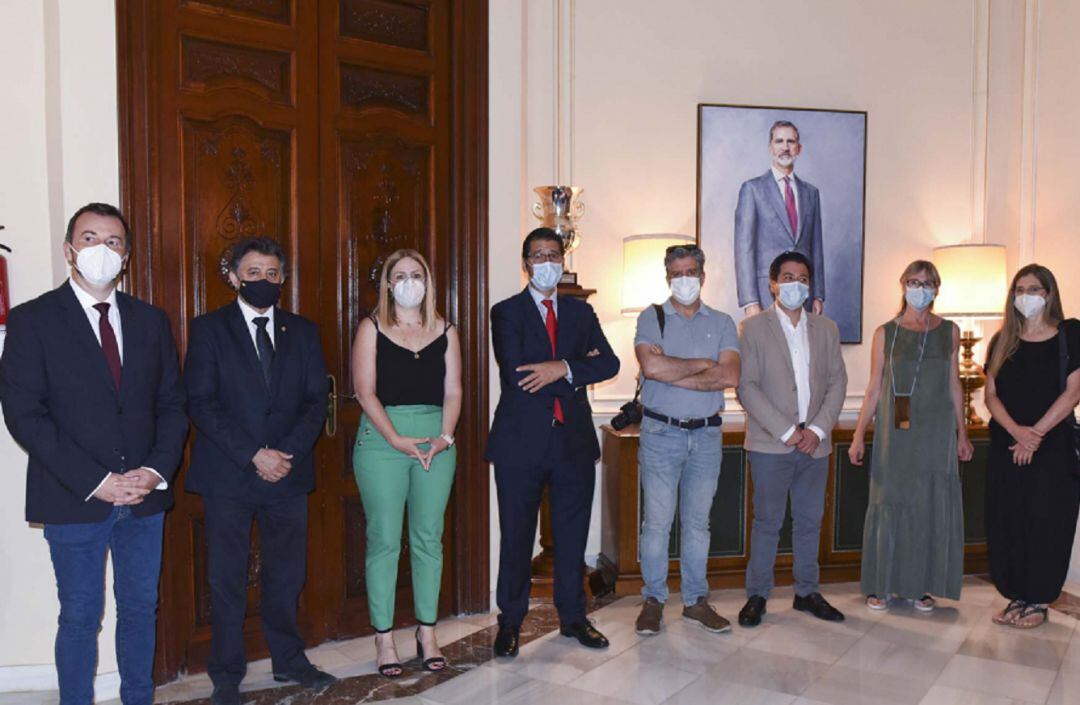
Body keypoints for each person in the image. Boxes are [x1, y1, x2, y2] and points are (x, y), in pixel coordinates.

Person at [0, 203, 187, 705]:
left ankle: (138, 698)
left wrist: (152, 471)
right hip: (73, 496)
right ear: (68, 250)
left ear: (126, 256)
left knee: (140, 608)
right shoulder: (32, 320)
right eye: (89, 238)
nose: (101, 250)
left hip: (144, 499)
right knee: (80, 614)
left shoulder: (151, 321)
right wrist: (96, 480)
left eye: (113, 242)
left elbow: (172, 405)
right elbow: (24, 413)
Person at [183, 237, 334, 705]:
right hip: (229, 474)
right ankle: (227, 675)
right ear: (233, 277)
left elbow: (316, 401)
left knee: (286, 575)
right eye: (253, 272)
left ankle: (289, 659)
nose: (263, 281)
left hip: (288, 473)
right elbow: (201, 403)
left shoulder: (303, 331)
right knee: (226, 579)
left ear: (283, 279)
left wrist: (282, 453)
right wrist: (254, 454)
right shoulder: (208, 330)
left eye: (272, 274)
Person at [487, 227, 620, 657]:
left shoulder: (582, 314)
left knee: (572, 537)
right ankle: (510, 622)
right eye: (538, 255)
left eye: (553, 254)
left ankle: (574, 618)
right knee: (516, 536)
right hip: (520, 445)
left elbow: (611, 363)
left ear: (563, 260)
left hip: (573, 445)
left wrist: (561, 367)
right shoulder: (505, 312)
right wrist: (574, 372)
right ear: (525, 264)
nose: (547, 262)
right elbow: (517, 375)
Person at [351, 249, 461, 676]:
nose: (409, 281)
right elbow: (365, 391)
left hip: (437, 439)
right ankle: (383, 638)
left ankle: (427, 632)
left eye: (417, 274)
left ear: (428, 281)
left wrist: (445, 437)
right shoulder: (372, 327)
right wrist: (395, 438)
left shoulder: (446, 330)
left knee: (428, 538)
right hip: (383, 439)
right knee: (384, 539)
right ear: (388, 284)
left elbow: (454, 391)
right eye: (400, 275)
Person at [849, 260, 973, 612]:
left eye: (928, 282)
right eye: (915, 281)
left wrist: (962, 434)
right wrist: (859, 435)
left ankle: (921, 586)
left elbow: (954, 384)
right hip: (894, 432)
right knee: (890, 502)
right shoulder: (884, 333)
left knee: (927, 506)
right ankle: (882, 583)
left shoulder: (949, 330)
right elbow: (874, 387)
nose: (921, 288)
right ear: (902, 284)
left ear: (937, 289)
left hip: (936, 436)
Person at [633, 244, 740, 636]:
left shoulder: (724, 322)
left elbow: (729, 377)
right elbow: (651, 366)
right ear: (667, 277)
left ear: (703, 275)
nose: (684, 280)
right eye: (676, 273)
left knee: (698, 524)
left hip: (707, 435)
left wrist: (672, 369)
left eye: (690, 271)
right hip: (661, 432)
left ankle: (696, 601)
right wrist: (702, 364)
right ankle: (653, 601)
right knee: (657, 523)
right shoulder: (653, 317)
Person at [736, 252, 847, 627]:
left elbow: (837, 383)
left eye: (802, 278)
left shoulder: (827, 329)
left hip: (815, 444)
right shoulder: (752, 329)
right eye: (787, 277)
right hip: (771, 443)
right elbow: (746, 386)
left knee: (809, 521)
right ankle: (757, 595)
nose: (795, 284)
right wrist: (788, 431)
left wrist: (815, 430)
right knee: (767, 521)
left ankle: (806, 592)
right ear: (772, 284)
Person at [983, 264, 1080, 629]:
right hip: (1007, 448)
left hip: (1052, 451)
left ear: (1049, 294)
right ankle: (1016, 596)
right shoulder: (1001, 341)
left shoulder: (1071, 335)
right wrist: (1017, 433)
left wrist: (1035, 434)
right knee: (1008, 521)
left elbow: (1073, 392)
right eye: (1020, 289)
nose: (1027, 296)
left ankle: (1038, 600)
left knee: (1045, 523)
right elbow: (991, 396)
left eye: (1035, 289)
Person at [734, 120, 825, 317]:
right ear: (770, 147)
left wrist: (818, 295)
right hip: (765, 294)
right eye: (779, 141)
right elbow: (744, 249)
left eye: (791, 142)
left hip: (804, 296)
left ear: (798, 148)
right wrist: (750, 301)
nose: (785, 147)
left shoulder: (811, 193)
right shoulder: (752, 190)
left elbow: (816, 248)